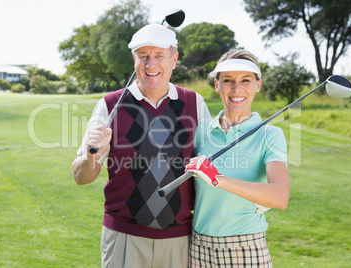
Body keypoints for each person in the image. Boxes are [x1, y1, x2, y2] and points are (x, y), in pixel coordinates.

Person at [72, 23, 211, 268]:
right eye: (143, 56)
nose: (151, 64)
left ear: (174, 59)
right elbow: (81, 177)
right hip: (124, 237)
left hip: (179, 238)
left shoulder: (195, 102)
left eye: (159, 56)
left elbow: (208, 168)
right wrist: (92, 156)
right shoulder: (109, 105)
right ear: (134, 59)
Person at [185, 49, 290, 267]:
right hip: (198, 247)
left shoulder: (269, 135)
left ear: (257, 85)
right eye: (228, 80)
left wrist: (218, 179)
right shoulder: (201, 131)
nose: (236, 88)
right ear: (217, 85)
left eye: (245, 80)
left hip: (244, 248)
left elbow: (280, 196)